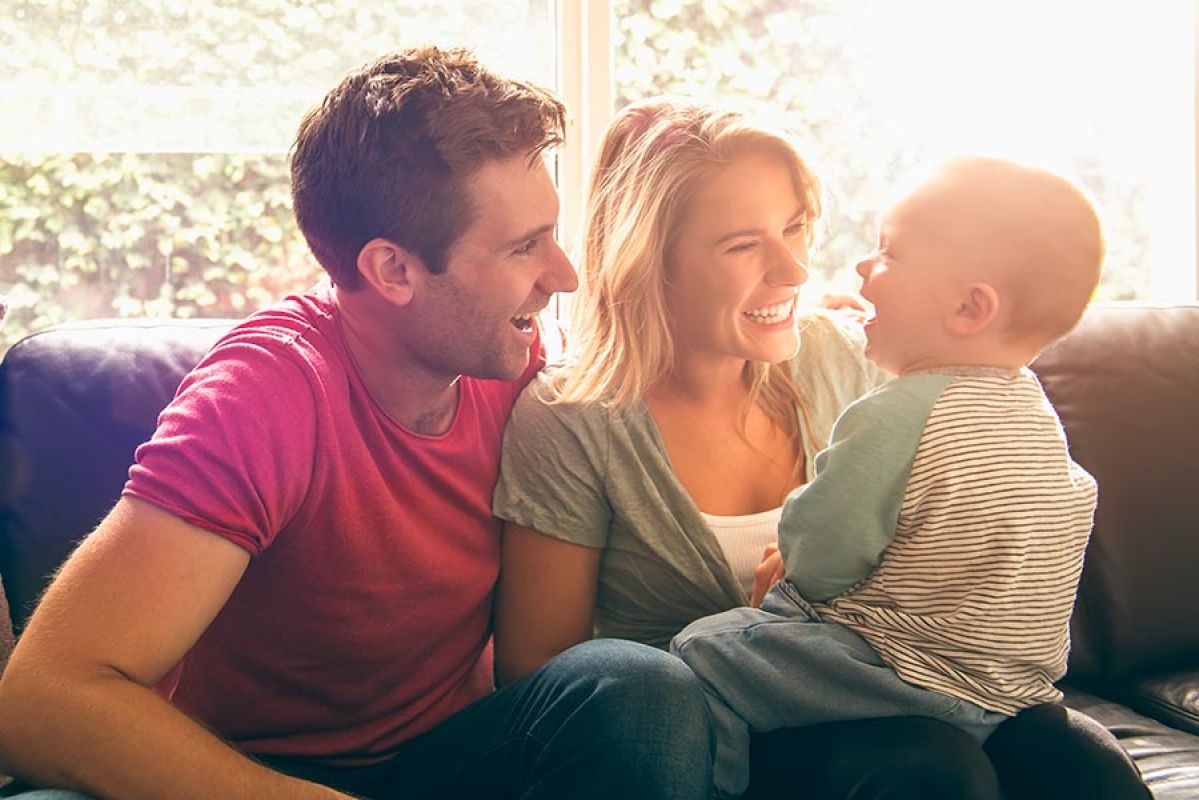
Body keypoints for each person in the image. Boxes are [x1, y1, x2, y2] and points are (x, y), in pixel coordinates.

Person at [0, 49, 715, 800]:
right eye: (522, 247)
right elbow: (41, 698)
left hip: (451, 759)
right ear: (392, 270)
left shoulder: (528, 371)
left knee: (636, 687)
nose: (564, 275)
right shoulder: (265, 395)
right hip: (244, 773)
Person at [491, 98, 1008, 799]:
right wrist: (758, 627)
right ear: (650, 259)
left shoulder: (852, 361)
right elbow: (543, 670)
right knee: (924, 767)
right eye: (743, 245)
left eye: (794, 229)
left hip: (886, 700)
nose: (793, 269)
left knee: (1072, 754)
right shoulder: (571, 417)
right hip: (704, 747)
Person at [670, 156, 1105, 798]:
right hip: (1010, 692)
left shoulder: (898, 412)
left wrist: (793, 546)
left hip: (898, 673)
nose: (862, 268)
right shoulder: (1036, 414)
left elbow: (819, 557)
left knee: (702, 649)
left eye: (888, 253)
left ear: (968, 307)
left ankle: (723, 784)